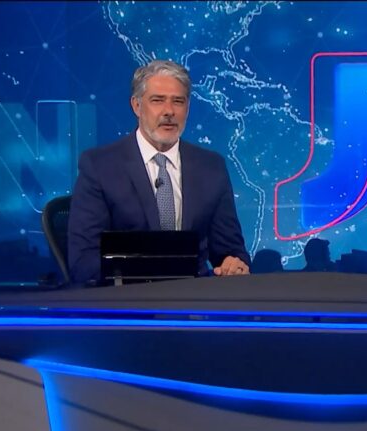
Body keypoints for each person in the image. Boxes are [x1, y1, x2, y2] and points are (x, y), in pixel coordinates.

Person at [68, 60, 250, 286]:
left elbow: (230, 250)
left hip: (193, 300)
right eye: (157, 100)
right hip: (128, 301)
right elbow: (83, 261)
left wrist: (234, 263)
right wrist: (156, 270)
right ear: (137, 105)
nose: (169, 111)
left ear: (188, 107)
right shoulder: (100, 166)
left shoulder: (211, 167)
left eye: (178, 101)